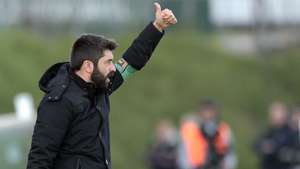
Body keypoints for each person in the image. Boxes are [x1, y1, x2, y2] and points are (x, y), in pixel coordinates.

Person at [26, 3, 177, 169]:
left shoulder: (100, 87)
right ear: (88, 66)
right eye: (108, 62)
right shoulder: (58, 102)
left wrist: (157, 27)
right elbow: (40, 159)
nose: (113, 68)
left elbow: (131, 61)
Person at [179, 100, 236, 169]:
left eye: (210, 110)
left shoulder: (223, 129)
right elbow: (183, 153)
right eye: (205, 110)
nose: (208, 113)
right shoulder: (190, 129)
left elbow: (230, 153)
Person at [254, 102, 292, 169]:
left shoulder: (290, 132)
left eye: (276, 114)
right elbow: (255, 144)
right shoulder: (268, 130)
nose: (273, 116)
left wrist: (273, 147)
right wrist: (263, 146)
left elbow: (289, 150)